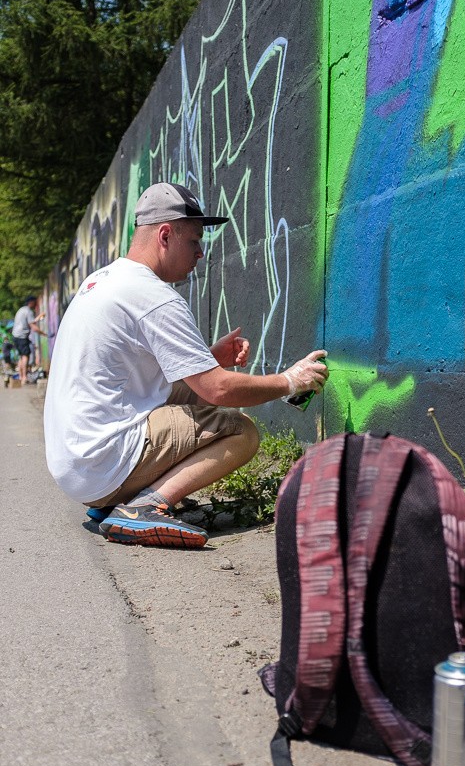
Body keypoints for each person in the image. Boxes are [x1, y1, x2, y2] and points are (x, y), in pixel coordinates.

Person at [44, 182, 329, 549]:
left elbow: (150, 377)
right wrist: (291, 381)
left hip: (77, 464)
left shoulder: (102, 280)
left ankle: (118, 500)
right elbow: (218, 390)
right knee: (242, 432)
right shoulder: (154, 296)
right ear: (165, 235)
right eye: (194, 241)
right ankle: (144, 506)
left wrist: (209, 358)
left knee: (191, 393)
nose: (200, 254)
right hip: (101, 462)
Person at [12, 296, 47, 385]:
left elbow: (30, 322)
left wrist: (38, 317)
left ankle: (21, 376)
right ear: (31, 302)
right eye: (35, 302)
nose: (36, 304)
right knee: (25, 356)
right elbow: (33, 327)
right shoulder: (28, 311)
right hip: (22, 336)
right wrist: (44, 334)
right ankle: (24, 377)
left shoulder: (22, 310)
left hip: (16, 336)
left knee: (21, 356)